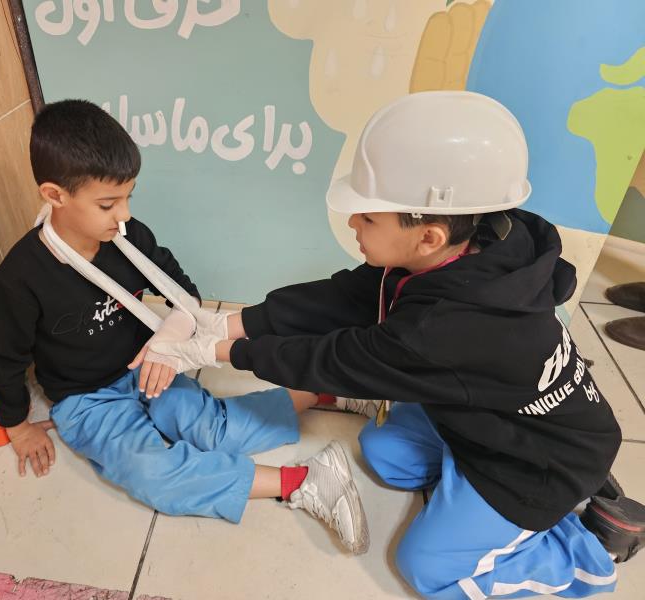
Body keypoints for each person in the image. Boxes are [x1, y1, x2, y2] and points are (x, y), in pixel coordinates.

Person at [151, 91, 645, 598]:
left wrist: (218, 352)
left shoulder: (449, 329)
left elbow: (337, 360)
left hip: (535, 465)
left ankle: (586, 550)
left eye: (368, 218)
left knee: (426, 567)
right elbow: (346, 297)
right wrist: (234, 323)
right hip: (483, 417)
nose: (353, 223)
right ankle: (469, 490)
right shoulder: (478, 242)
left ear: (429, 236)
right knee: (384, 454)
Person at [0, 99, 370, 554]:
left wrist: (167, 343)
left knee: (214, 430)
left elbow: (183, 294)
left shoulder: (127, 236)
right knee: (153, 473)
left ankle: (329, 392)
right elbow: (2, 359)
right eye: (108, 203)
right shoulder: (20, 279)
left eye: (128, 197)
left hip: (150, 365)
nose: (124, 214)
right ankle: (303, 480)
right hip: (86, 399)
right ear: (55, 195)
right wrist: (17, 426)